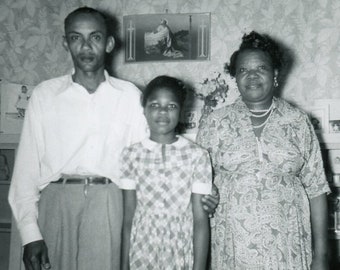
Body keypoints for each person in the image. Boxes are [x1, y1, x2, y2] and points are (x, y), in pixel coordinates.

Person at [8, 7, 218, 270]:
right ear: (65, 42)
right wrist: (30, 234)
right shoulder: (44, 95)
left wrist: (204, 191)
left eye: (95, 37)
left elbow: (156, 157)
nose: (85, 46)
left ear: (108, 43)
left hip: (109, 207)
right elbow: (25, 173)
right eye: (76, 38)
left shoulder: (129, 96)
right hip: (55, 205)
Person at [196, 31, 330, 270]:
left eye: (261, 68)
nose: (252, 76)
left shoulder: (297, 121)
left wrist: (321, 255)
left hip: (289, 246)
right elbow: (198, 185)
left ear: (276, 74)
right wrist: (207, 196)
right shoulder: (216, 122)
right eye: (243, 70)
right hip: (232, 247)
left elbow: (317, 189)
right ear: (235, 77)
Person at [120, 75, 211, 270]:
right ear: (144, 109)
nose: (162, 111)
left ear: (181, 112)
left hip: (181, 250)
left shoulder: (198, 156)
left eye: (171, 106)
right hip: (142, 250)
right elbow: (128, 218)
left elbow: (200, 220)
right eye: (154, 105)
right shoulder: (131, 155)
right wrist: (123, 266)